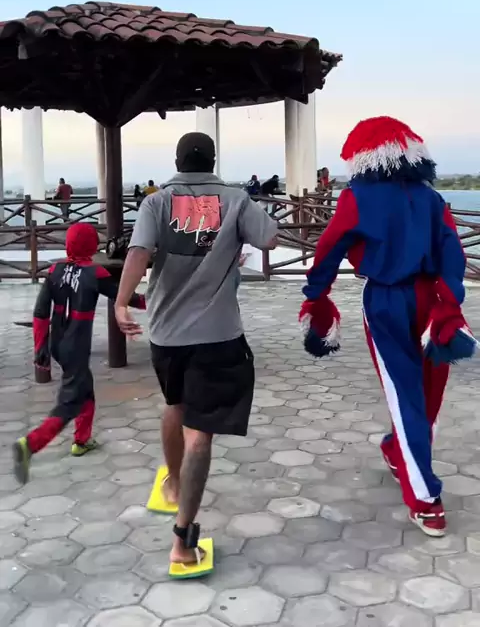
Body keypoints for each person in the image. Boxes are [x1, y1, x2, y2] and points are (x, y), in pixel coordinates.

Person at [300, 116, 474, 538]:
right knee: (427, 393)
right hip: (434, 302)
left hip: (385, 300)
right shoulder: (431, 198)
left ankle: (425, 501)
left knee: (406, 395)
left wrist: (317, 294)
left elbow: (328, 248)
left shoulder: (356, 197)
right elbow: (453, 252)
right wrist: (450, 300)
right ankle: (401, 453)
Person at [115, 132, 277, 573]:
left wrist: (121, 302)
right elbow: (269, 239)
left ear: (177, 161)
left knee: (175, 404)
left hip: (166, 335)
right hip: (218, 336)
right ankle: (182, 545)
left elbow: (139, 252)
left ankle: (172, 485)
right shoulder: (236, 200)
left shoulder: (156, 202)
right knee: (200, 434)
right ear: (213, 160)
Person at [12, 223, 145, 485]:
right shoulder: (95, 273)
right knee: (69, 403)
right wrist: (155, 301)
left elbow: (40, 313)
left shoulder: (54, 271)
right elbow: (123, 295)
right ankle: (30, 444)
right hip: (76, 348)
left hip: (58, 345)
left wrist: (40, 348)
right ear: (92, 245)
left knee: (85, 389)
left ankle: (82, 440)